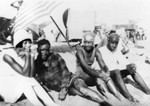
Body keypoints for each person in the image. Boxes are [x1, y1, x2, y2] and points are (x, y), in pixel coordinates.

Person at [34, 39, 112, 106]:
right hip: (60, 88)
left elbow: (65, 72)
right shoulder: (37, 63)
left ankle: (106, 104)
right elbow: (35, 77)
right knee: (82, 95)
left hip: (71, 80)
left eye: (47, 50)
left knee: (84, 90)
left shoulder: (55, 56)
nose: (44, 52)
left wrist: (64, 88)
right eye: (42, 50)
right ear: (38, 50)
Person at [2, 29, 59, 106]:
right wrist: (28, 55)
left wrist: (31, 57)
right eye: (25, 42)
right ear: (19, 43)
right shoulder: (7, 55)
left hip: (21, 83)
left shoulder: (24, 54)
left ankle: (51, 104)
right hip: (7, 88)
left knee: (29, 79)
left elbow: (31, 75)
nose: (29, 45)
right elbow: (25, 74)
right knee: (25, 79)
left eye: (29, 42)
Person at [98, 33, 150, 102]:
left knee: (132, 70)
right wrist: (123, 67)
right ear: (108, 41)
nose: (114, 45)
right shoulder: (101, 51)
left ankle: (147, 91)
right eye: (112, 43)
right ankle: (129, 97)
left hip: (116, 73)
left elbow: (124, 62)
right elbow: (106, 67)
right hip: (107, 75)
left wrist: (130, 65)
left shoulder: (116, 50)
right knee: (116, 71)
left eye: (116, 43)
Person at [75, 32, 121, 101]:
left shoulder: (96, 51)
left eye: (89, 42)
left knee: (103, 74)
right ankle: (109, 97)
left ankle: (117, 95)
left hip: (90, 75)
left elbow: (102, 64)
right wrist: (100, 75)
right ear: (83, 42)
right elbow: (87, 69)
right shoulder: (80, 52)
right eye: (85, 42)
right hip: (81, 76)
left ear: (93, 43)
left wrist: (107, 71)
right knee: (99, 77)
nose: (87, 45)